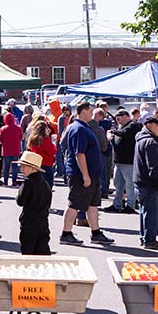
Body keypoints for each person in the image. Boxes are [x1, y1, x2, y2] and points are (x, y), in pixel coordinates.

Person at [59, 101, 114, 245]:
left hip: (91, 174)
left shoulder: (84, 127)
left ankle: (96, 233)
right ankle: (66, 233)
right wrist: (85, 175)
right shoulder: (79, 129)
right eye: (90, 111)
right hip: (81, 174)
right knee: (74, 204)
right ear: (83, 112)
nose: (92, 114)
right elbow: (79, 154)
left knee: (93, 204)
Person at [134, 113, 158, 249]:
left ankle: (146, 238)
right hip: (150, 183)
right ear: (149, 125)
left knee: (146, 212)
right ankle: (149, 240)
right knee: (152, 213)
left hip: (142, 181)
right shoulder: (150, 142)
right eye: (157, 126)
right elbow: (153, 166)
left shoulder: (143, 139)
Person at [16, 150, 52, 255]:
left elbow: (20, 201)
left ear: (33, 168)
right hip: (43, 222)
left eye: (24, 166)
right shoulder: (45, 184)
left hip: (29, 222)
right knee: (42, 251)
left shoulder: (28, 183)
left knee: (27, 251)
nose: (21, 169)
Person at [106, 109, 141, 213]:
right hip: (119, 161)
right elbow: (117, 139)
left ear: (126, 116)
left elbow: (125, 133)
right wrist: (112, 136)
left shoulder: (133, 125)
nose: (117, 119)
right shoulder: (121, 127)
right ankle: (117, 204)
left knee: (129, 184)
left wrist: (113, 132)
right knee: (118, 184)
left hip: (128, 161)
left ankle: (131, 205)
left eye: (119, 116)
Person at [26, 117, 57, 187]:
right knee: (47, 187)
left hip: (36, 164)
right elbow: (52, 151)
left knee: (37, 186)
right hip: (46, 164)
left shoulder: (32, 138)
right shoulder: (45, 139)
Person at [0, 111, 23, 187]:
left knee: (6, 167)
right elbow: (21, 137)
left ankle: (5, 182)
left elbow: (0, 140)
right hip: (15, 150)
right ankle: (14, 183)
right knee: (15, 167)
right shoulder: (18, 128)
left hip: (6, 150)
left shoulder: (3, 129)